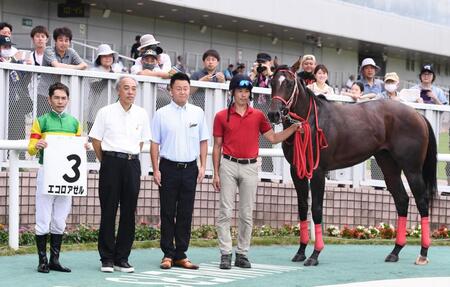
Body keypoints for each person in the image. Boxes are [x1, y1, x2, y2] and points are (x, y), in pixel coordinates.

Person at [212, 74, 301, 269]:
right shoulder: (220, 116)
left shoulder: (258, 116)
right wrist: (216, 173)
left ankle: (242, 253)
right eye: (240, 91)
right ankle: (225, 253)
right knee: (225, 212)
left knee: (246, 213)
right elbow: (217, 146)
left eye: (246, 92)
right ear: (233, 93)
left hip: (250, 166)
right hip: (227, 164)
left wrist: (293, 128)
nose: (243, 95)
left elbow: (274, 138)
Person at [89, 76, 151, 273]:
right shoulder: (105, 112)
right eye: (126, 88)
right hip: (110, 163)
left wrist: (128, 157)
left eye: (133, 89)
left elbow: (141, 143)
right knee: (108, 210)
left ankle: (122, 258)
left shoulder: (141, 113)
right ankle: (106, 258)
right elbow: (96, 141)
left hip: (132, 164)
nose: (130, 92)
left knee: (128, 212)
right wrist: (107, 162)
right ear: (118, 90)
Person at [150, 72, 209, 270]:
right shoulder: (161, 113)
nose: (182, 92)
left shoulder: (197, 112)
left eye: (186, 88)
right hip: (168, 168)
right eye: (178, 88)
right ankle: (167, 254)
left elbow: (203, 141)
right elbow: (154, 143)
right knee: (167, 211)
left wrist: (203, 165)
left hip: (190, 168)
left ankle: (181, 254)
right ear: (170, 90)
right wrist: (155, 169)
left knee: (185, 212)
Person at [28, 82, 82, 273]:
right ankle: (42, 261)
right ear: (50, 99)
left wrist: (85, 147)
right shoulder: (41, 121)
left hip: (66, 178)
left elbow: (78, 148)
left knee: (60, 219)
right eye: (57, 98)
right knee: (43, 217)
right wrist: (38, 145)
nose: (60, 101)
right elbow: (31, 148)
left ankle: (55, 261)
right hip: (47, 173)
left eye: (64, 98)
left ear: (68, 100)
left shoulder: (75, 123)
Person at [38, 27, 87, 116]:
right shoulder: (49, 50)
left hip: (61, 95)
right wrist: (75, 67)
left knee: (60, 122)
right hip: (45, 94)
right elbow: (57, 66)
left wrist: (66, 67)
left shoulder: (71, 52)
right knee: (43, 122)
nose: (63, 43)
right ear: (55, 41)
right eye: (60, 40)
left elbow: (84, 65)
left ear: (69, 42)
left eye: (66, 40)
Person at [1, 35, 33, 144]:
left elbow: (24, 82)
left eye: (9, 46)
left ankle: (19, 156)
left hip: (16, 103)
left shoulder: (18, 62)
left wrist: (29, 69)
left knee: (18, 135)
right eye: (5, 47)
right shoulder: (13, 60)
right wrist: (13, 60)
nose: (8, 49)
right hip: (2, 103)